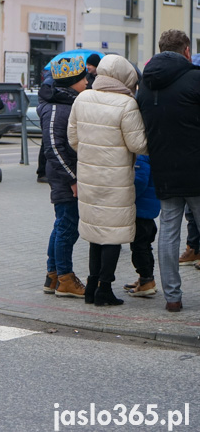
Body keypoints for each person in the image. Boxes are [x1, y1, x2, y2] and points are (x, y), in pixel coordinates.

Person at [67, 54, 147, 306]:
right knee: (112, 234)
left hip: (89, 177)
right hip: (116, 179)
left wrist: (91, 153)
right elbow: (138, 144)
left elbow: (73, 138)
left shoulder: (83, 98)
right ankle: (104, 289)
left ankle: (91, 287)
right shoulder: (126, 104)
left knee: (95, 233)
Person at [136, 29, 200, 312]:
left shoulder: (146, 84)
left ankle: (172, 298)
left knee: (169, 233)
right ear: (186, 50)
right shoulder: (196, 78)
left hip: (163, 168)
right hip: (197, 169)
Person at [38, 55, 87, 298]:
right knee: (67, 226)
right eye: (82, 78)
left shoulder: (66, 101)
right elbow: (53, 148)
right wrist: (72, 179)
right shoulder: (58, 107)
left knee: (62, 225)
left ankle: (53, 275)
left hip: (66, 174)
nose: (87, 81)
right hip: (65, 176)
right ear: (72, 82)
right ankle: (65, 278)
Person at [123, 154, 160, 297]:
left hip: (141, 210)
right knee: (145, 246)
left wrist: (126, 198)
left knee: (139, 247)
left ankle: (146, 281)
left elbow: (139, 181)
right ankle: (147, 279)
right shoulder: (149, 155)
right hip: (148, 209)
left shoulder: (141, 157)